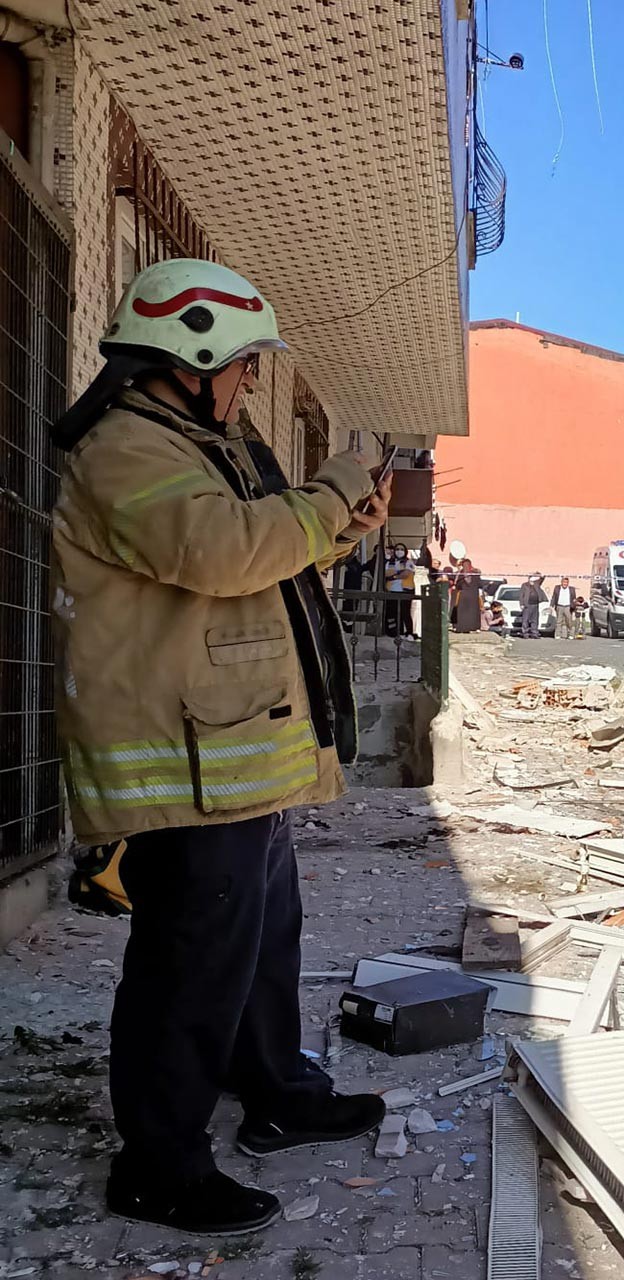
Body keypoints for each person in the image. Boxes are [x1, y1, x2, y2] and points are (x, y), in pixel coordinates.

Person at [47, 258, 392, 1234]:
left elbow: (258, 554)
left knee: (256, 942)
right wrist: (327, 497)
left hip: (230, 759)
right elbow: (222, 550)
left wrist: (335, 529)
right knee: (188, 965)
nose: (250, 384)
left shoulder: (198, 442)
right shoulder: (126, 451)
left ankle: (276, 1088)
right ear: (191, 357)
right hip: (181, 767)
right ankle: (158, 1162)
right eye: (243, 365)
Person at [451, 556, 482, 633]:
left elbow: (457, 585)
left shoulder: (461, 575)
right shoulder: (475, 574)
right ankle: (473, 627)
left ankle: (462, 628)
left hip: (464, 595)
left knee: (463, 612)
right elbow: (480, 584)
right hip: (473, 595)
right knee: (472, 612)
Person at [516, 573, 545, 639]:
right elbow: (521, 595)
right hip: (527, 604)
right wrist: (521, 604)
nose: (532, 579)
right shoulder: (524, 585)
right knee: (525, 619)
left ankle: (534, 633)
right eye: (531, 578)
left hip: (535, 604)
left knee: (535, 620)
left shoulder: (536, 584)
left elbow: (542, 579)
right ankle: (525, 633)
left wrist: (540, 575)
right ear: (529, 579)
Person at [550, 576, 579, 641]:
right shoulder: (557, 588)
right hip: (559, 606)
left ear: (568, 583)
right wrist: (552, 605)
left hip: (568, 607)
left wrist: (574, 608)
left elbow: (574, 599)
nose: (565, 584)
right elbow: (554, 597)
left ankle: (571, 635)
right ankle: (557, 635)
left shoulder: (571, 589)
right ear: (561, 582)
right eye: (564, 582)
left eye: (566, 582)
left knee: (569, 621)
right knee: (558, 621)